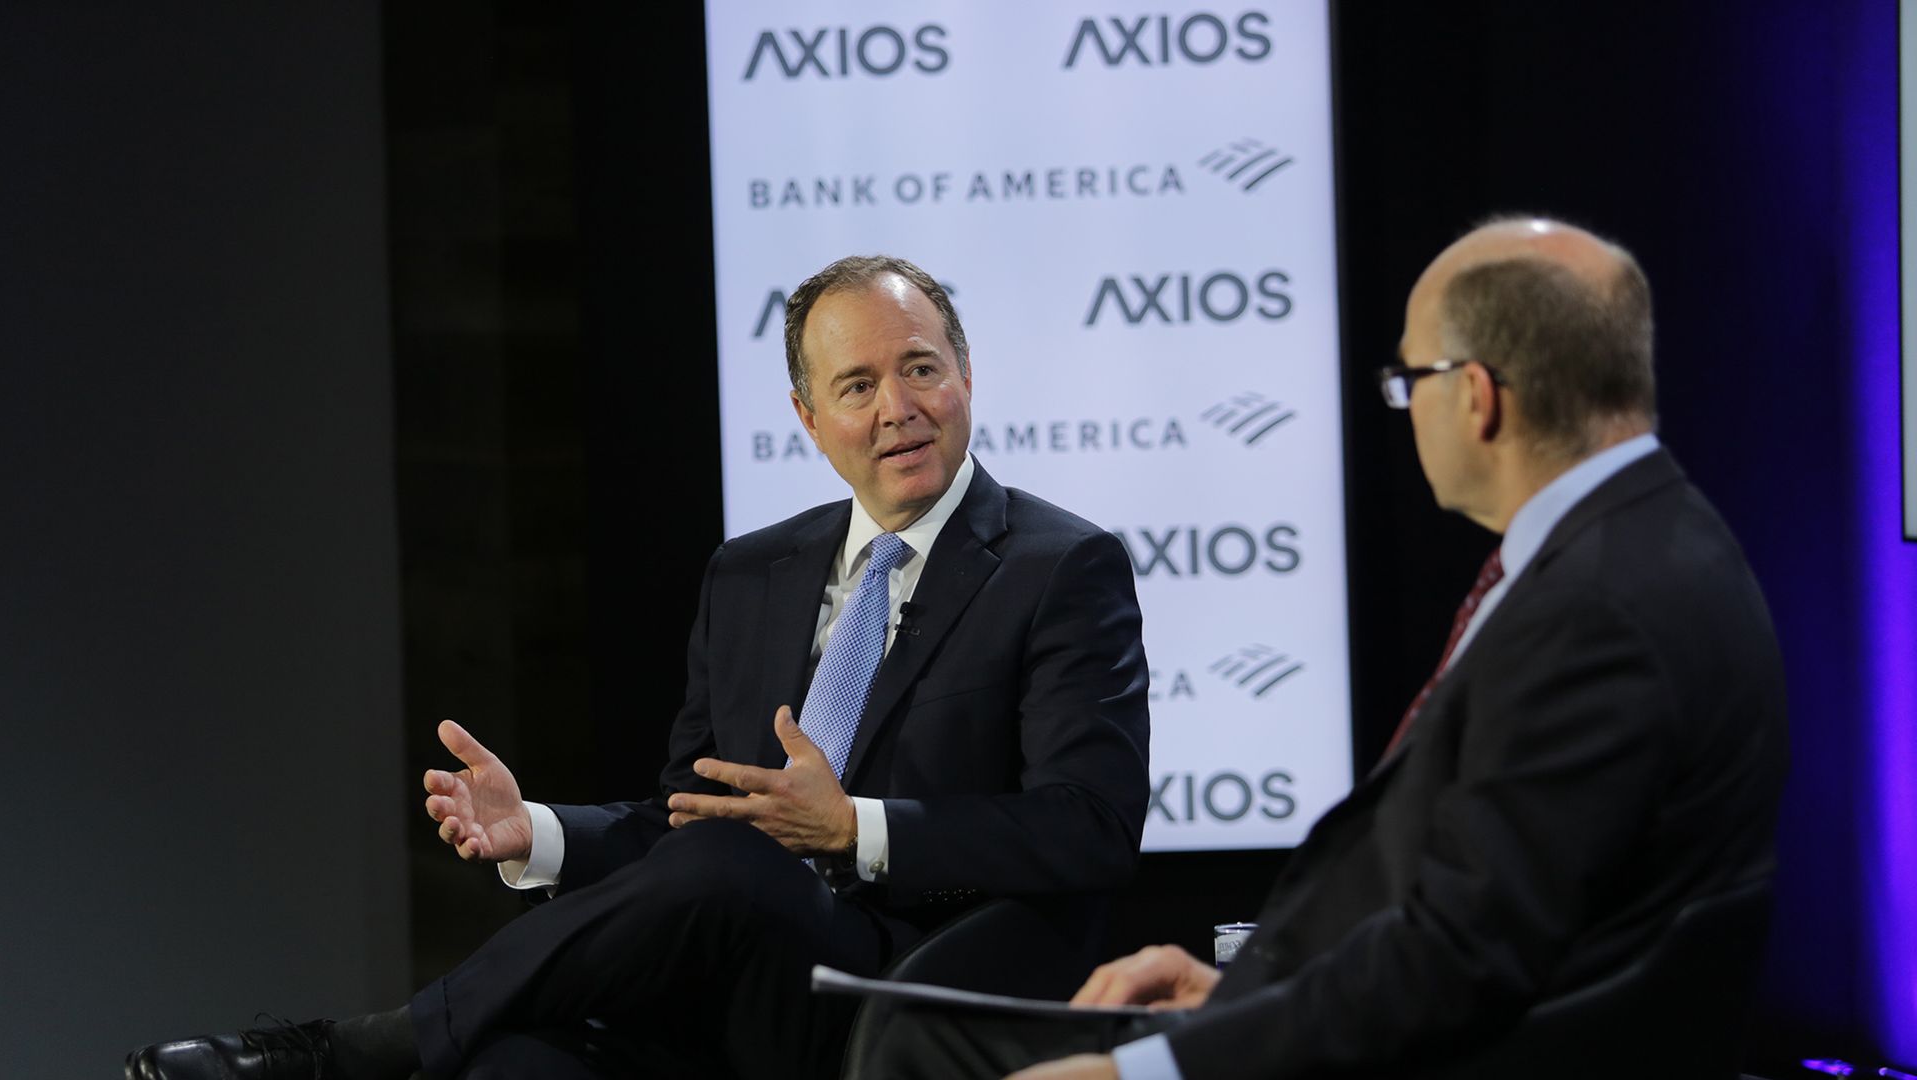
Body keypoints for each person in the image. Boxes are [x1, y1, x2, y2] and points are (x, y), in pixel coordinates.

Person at [127, 255, 1151, 1080]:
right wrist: (544, 834)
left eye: (921, 368)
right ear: (808, 419)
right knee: (515, 1060)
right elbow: (687, 826)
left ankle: (364, 1048)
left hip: (904, 987)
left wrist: (855, 830)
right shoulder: (752, 574)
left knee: (731, 863)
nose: (899, 406)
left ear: (966, 378)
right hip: (725, 991)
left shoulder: (1059, 567)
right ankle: (422, 1045)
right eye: (857, 384)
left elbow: (1091, 825)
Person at [867, 217, 1790, 1080]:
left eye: (1409, 380)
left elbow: (1461, 957)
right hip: (1408, 1016)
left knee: (922, 1046)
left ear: (1475, 397)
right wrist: (1242, 992)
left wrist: (1157, 1069)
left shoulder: (1597, 609)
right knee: (917, 1026)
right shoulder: (1652, 541)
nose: (1404, 405)